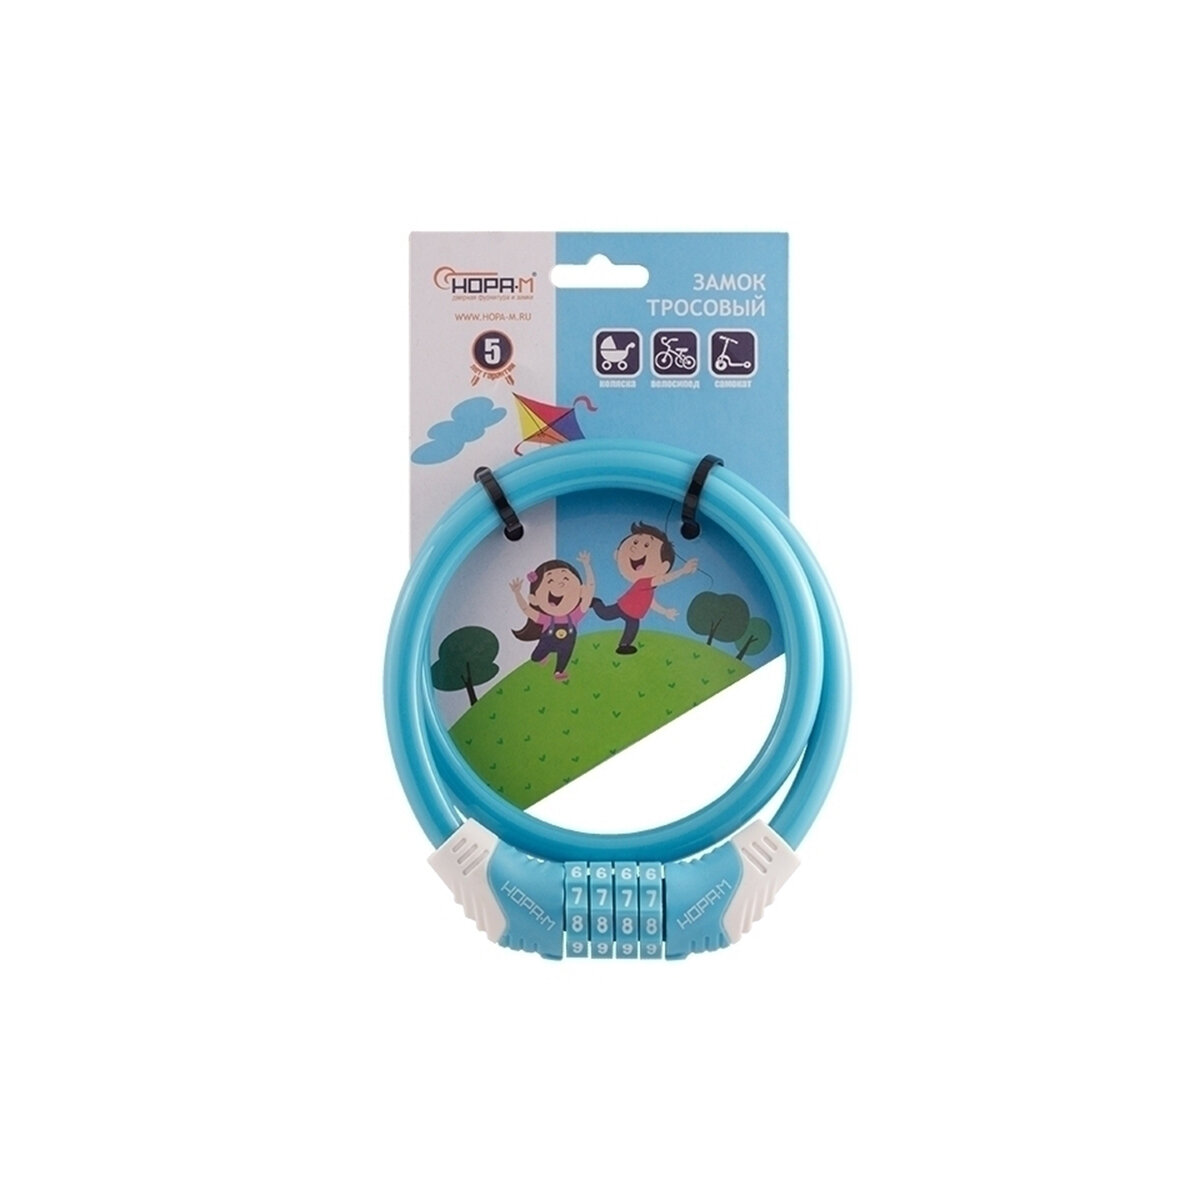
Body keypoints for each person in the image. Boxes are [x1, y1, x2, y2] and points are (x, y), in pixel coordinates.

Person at [590, 522, 698, 655]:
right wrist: (682, 571)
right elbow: (663, 580)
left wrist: (665, 611)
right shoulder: (644, 582)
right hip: (623, 607)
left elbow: (650, 603)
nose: (635, 548)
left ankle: (624, 645)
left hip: (634, 614)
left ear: (663, 566)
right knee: (605, 614)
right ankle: (596, 602)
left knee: (632, 628)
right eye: (635, 542)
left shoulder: (649, 588)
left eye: (647, 545)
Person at [510, 552, 595, 681]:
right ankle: (543, 656)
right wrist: (517, 593)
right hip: (547, 643)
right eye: (550, 581)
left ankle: (559, 671)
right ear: (534, 599)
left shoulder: (575, 615)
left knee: (565, 654)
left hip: (566, 644)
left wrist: (587, 566)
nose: (559, 585)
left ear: (581, 591)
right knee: (535, 657)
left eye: (565, 578)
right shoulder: (546, 619)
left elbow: (590, 590)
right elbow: (526, 609)